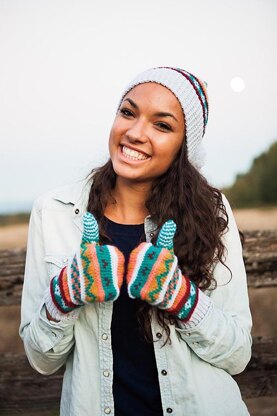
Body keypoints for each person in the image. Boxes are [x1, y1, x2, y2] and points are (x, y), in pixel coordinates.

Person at [20, 66, 252, 416]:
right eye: (128, 112)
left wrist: (181, 297)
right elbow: (41, 360)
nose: (135, 132)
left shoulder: (212, 211)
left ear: (183, 147)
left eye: (162, 125)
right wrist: (66, 293)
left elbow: (237, 355)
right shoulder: (53, 212)